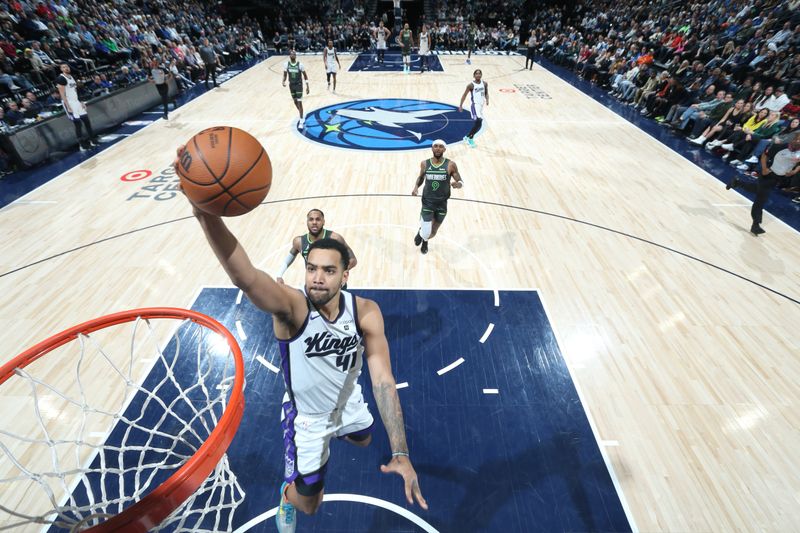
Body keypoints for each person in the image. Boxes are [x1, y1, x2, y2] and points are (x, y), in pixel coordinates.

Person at [174, 156, 427, 533]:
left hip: (347, 402)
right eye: (311, 269)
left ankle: (342, 429)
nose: (318, 279)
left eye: (328, 270)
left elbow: (384, 382)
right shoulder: (291, 308)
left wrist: (401, 452)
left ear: (345, 273)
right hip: (307, 418)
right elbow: (246, 276)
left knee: (364, 437)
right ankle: (286, 494)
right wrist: (205, 214)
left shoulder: (365, 312)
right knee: (310, 505)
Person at [726, 134, 800, 235]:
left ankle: (737, 183)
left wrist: (794, 171)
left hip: (779, 177)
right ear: (794, 139)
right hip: (768, 173)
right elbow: (765, 155)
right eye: (798, 139)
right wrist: (764, 169)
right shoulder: (779, 147)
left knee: (758, 190)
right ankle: (755, 225)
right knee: (761, 199)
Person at [276, 209, 357, 284]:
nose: (314, 222)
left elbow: (353, 260)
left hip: (334, 284)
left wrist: (339, 274)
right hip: (314, 285)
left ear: (323, 222)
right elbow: (290, 257)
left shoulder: (335, 238)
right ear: (307, 222)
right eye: (311, 219)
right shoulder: (299, 242)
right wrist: (279, 275)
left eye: (318, 219)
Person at [412, 139, 463, 254]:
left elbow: (460, 180)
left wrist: (458, 184)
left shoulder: (450, 165)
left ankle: (422, 235)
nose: (438, 148)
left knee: (433, 232)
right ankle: (424, 238)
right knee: (426, 232)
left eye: (441, 146)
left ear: (444, 149)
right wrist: (416, 187)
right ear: (432, 148)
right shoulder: (425, 163)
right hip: (427, 201)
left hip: (442, 203)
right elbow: (421, 177)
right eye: (435, 146)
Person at [56, 63, 97, 151]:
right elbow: (62, 94)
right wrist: (68, 106)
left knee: (86, 121)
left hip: (76, 101)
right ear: (61, 69)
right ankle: (82, 145)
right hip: (69, 102)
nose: (66, 68)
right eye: (64, 67)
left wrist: (81, 101)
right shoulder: (61, 78)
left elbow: (75, 91)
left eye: (67, 66)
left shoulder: (71, 76)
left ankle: (92, 140)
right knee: (78, 124)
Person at [458, 69, 488, 148]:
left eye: (479, 73)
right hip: (475, 105)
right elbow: (464, 95)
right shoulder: (470, 85)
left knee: (479, 123)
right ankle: (470, 138)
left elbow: (486, 93)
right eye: (476, 74)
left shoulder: (484, 83)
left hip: (481, 105)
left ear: (481, 75)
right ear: (474, 75)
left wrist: (487, 99)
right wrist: (460, 105)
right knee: (479, 120)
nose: (478, 75)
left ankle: (468, 137)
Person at [282, 50, 309, 128]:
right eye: (291, 54)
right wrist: (283, 81)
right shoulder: (286, 64)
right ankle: (302, 114)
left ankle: (301, 121)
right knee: (295, 101)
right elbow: (284, 75)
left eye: (294, 54)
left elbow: (305, 76)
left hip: (299, 85)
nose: (293, 55)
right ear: (290, 56)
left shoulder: (300, 65)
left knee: (300, 102)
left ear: (296, 56)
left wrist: (307, 86)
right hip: (291, 85)